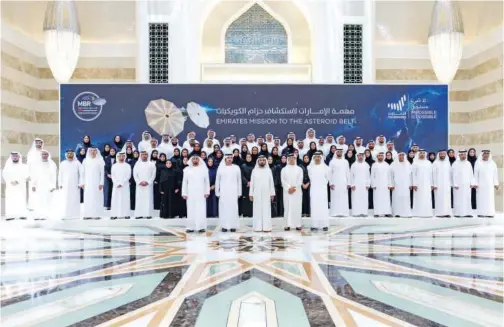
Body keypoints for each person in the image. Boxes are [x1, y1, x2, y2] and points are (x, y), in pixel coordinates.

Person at [182, 155, 210, 232]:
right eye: (193, 159)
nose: (195, 160)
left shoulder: (204, 169)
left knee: (201, 209)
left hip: (201, 193)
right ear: (191, 160)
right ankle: (190, 227)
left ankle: (201, 227)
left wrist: (207, 191)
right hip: (190, 193)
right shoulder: (187, 169)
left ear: (199, 160)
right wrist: (184, 193)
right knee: (190, 209)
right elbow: (184, 182)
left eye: (196, 159)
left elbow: (207, 181)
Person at [216, 153, 242, 232]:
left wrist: (239, 192)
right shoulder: (220, 168)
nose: (230, 159)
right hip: (223, 192)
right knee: (223, 208)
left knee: (233, 208)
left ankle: (233, 226)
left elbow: (239, 181)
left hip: (233, 192)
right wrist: (217, 192)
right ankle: (224, 226)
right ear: (225, 159)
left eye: (231, 158)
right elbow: (217, 181)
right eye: (228, 158)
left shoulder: (236, 168)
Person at [250, 155, 276, 232]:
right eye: (260, 160)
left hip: (266, 193)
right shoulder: (254, 171)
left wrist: (272, 193)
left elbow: (271, 182)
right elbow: (252, 184)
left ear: (265, 161)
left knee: (266, 210)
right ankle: (257, 227)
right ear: (258, 161)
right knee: (257, 210)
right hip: (256, 194)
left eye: (263, 160)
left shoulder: (268, 170)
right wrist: (251, 194)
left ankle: (266, 227)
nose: (262, 161)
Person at [31, 150, 57, 220]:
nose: (44, 156)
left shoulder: (52, 164)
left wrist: (53, 186)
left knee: (47, 200)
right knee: (38, 199)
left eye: (46, 154)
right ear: (41, 155)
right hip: (39, 185)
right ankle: (38, 215)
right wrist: (33, 185)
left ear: (48, 155)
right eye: (43, 154)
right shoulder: (37, 164)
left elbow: (54, 176)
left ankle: (46, 215)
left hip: (48, 185)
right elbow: (34, 175)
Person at [308, 151, 330, 231]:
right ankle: (314, 225)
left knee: (323, 206)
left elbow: (328, 179)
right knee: (314, 206)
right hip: (314, 190)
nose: (317, 158)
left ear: (321, 158)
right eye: (316, 157)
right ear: (313, 158)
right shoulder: (310, 168)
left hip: (322, 190)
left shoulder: (326, 168)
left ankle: (324, 225)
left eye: (319, 157)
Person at [2, 152, 28, 220]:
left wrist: (18, 181)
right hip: (10, 186)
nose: (15, 157)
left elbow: (26, 175)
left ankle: (22, 214)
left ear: (19, 157)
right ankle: (10, 215)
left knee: (20, 199)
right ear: (11, 157)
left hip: (20, 186)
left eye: (16, 156)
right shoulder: (7, 167)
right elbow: (4, 175)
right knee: (10, 200)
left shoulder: (23, 166)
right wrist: (10, 181)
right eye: (13, 156)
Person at [281, 154, 304, 231]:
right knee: (287, 207)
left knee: (297, 208)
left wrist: (294, 188)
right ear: (288, 159)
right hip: (287, 192)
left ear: (295, 159)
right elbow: (283, 181)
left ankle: (298, 224)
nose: (291, 159)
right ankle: (287, 225)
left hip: (297, 192)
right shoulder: (284, 169)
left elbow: (300, 180)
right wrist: (288, 188)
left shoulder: (299, 169)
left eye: (293, 158)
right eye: (290, 158)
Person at [474, 150, 499, 217]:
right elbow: (475, 174)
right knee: (481, 199)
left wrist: (496, 183)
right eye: (485, 153)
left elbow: (495, 174)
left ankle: (489, 213)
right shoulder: (478, 163)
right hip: (480, 185)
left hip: (489, 185)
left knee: (489, 199)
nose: (486, 155)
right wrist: (475, 183)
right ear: (482, 154)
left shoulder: (493, 163)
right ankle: (481, 213)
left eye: (488, 153)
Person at [59, 150, 82, 220]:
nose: (69, 155)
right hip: (65, 185)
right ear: (66, 155)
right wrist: (60, 183)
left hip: (75, 185)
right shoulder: (63, 163)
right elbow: (60, 174)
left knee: (75, 199)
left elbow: (82, 174)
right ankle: (66, 215)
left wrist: (80, 183)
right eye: (68, 153)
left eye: (71, 153)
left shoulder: (77, 163)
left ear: (73, 154)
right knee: (65, 200)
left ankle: (75, 215)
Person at [82, 148, 105, 219]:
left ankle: (96, 215)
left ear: (96, 151)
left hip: (97, 183)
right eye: (91, 150)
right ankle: (87, 215)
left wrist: (101, 183)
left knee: (97, 198)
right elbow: (83, 173)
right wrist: (82, 183)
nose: (92, 152)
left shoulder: (100, 160)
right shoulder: (85, 161)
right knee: (88, 198)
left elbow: (102, 172)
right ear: (89, 151)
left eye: (94, 150)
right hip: (87, 183)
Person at [451, 150, 475, 217]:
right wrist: (455, 184)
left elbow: (471, 174)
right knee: (458, 199)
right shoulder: (455, 164)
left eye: (464, 154)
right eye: (461, 154)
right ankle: (457, 213)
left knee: (467, 199)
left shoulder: (468, 163)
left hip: (467, 185)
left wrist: (472, 182)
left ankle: (467, 213)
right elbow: (453, 175)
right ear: (459, 155)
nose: (463, 156)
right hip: (458, 186)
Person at [133, 151, 156, 219]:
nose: (144, 156)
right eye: (143, 154)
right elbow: (135, 175)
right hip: (139, 185)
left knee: (148, 199)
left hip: (148, 185)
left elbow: (153, 174)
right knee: (139, 199)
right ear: (140, 155)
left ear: (148, 155)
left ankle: (148, 214)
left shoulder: (151, 164)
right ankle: (139, 214)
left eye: (146, 154)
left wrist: (148, 182)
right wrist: (139, 182)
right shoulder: (137, 164)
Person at [329, 148, 350, 217]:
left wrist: (348, 183)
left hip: (344, 182)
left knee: (343, 197)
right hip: (334, 182)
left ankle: (344, 213)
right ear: (336, 152)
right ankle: (335, 213)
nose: (339, 153)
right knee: (335, 197)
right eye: (338, 152)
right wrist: (330, 183)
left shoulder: (345, 161)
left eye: (341, 152)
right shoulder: (332, 161)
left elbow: (348, 173)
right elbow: (330, 173)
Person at [390, 152, 412, 217]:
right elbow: (390, 176)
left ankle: (406, 213)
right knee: (397, 198)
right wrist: (391, 184)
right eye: (400, 155)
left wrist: (410, 184)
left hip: (406, 185)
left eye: (403, 155)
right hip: (396, 185)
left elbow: (410, 176)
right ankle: (397, 213)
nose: (401, 156)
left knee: (405, 198)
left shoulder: (408, 164)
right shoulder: (393, 164)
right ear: (398, 156)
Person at [411, 150, 433, 217]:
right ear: (418, 154)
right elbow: (413, 174)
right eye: (421, 153)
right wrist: (414, 184)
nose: (422, 154)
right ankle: (418, 213)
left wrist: (431, 184)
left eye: (423, 153)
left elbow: (431, 174)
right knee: (418, 198)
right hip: (418, 184)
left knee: (426, 198)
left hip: (427, 183)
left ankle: (427, 213)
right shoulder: (415, 163)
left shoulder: (429, 163)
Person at [110, 152, 132, 219]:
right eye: (120, 156)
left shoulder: (127, 166)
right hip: (116, 186)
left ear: (124, 157)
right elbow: (113, 176)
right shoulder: (114, 166)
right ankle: (114, 214)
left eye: (123, 156)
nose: (121, 157)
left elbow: (128, 175)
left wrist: (122, 183)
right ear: (117, 157)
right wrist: (117, 183)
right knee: (115, 199)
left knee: (125, 199)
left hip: (125, 185)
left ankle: (126, 214)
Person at [371, 152, 392, 217]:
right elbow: (372, 175)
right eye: (379, 156)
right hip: (377, 185)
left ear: (383, 157)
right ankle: (377, 213)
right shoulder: (374, 165)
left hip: (385, 185)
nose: (380, 157)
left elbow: (389, 176)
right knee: (377, 198)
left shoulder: (387, 165)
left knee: (386, 199)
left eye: (381, 156)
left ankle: (387, 212)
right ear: (377, 157)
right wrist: (373, 184)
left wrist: (390, 184)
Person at [432, 150, 452, 217]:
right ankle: (439, 213)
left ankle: (447, 213)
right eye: (441, 154)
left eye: (443, 154)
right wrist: (434, 184)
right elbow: (433, 175)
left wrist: (451, 183)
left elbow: (450, 174)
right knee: (439, 198)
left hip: (446, 184)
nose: (442, 155)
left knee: (447, 199)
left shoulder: (448, 163)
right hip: (438, 184)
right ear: (438, 155)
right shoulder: (435, 163)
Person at [350, 152, 370, 217]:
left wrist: (368, 184)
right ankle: (356, 213)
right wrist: (352, 184)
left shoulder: (366, 165)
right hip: (356, 185)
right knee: (356, 198)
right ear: (357, 156)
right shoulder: (353, 165)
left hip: (364, 185)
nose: (360, 157)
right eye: (359, 156)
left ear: (363, 157)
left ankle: (364, 212)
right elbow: (351, 176)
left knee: (364, 198)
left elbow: (368, 176)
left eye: (361, 156)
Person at [27, 138, 44, 210]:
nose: (38, 144)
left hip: (42, 173)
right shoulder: (31, 153)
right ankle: (32, 206)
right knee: (32, 189)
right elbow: (28, 164)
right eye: (37, 143)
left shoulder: (44, 152)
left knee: (41, 189)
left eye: (40, 143)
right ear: (35, 143)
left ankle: (40, 206)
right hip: (33, 173)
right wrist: (28, 174)